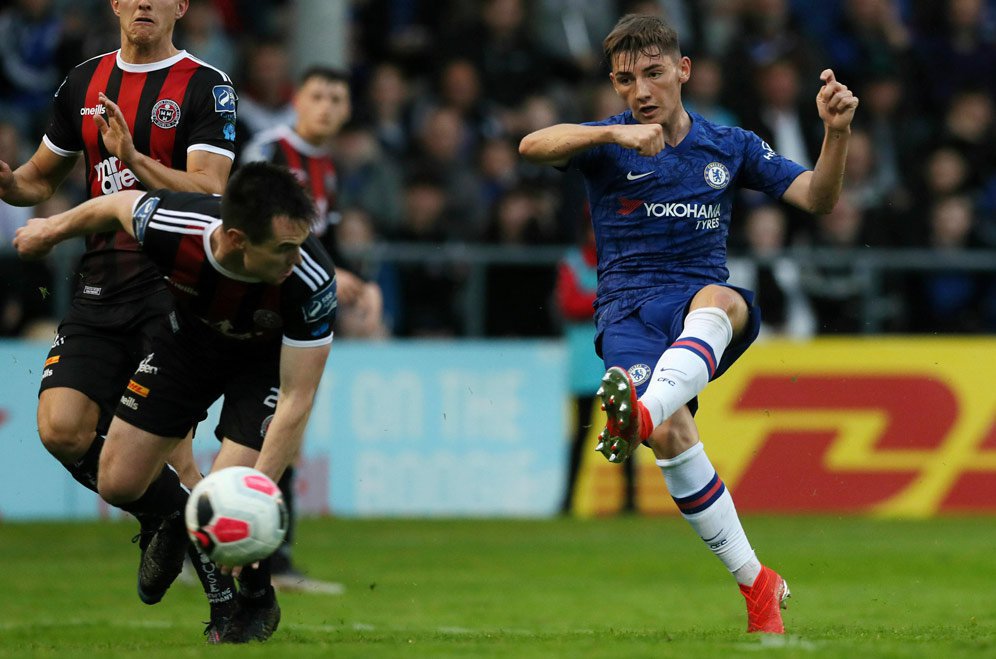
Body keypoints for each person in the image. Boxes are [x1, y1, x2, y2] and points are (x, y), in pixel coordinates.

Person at [519, 14, 858, 634]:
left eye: (652, 74)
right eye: (625, 81)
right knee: (672, 437)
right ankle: (758, 584)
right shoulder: (608, 138)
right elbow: (531, 146)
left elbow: (818, 198)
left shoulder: (728, 146)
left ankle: (639, 412)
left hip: (697, 305)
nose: (640, 92)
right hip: (625, 313)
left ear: (683, 71)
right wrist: (613, 140)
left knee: (723, 298)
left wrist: (835, 135)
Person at [14, 161, 337, 643]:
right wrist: (50, 229)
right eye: (283, 249)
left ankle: (254, 592)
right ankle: (174, 517)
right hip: (187, 347)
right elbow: (117, 204)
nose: (297, 259)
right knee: (119, 482)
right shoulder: (176, 226)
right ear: (235, 240)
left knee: (232, 495)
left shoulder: (311, 280)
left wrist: (257, 501)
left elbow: (297, 396)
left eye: (299, 243)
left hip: (265, 365)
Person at [0, 0, 239, 640]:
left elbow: (210, 193)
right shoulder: (82, 82)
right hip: (99, 288)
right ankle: (163, 518)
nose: (143, 3)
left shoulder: (205, 85)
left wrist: (134, 162)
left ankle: (232, 606)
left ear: (179, 6)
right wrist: (6, 182)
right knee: (61, 429)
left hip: (174, 286)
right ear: (114, 3)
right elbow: (37, 182)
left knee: (174, 452)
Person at [241, 65, 386, 593]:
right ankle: (258, 557)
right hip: (250, 310)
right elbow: (247, 222)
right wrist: (331, 270)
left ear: (347, 111)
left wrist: (361, 280)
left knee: (282, 434)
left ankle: (259, 554)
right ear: (296, 100)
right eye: (317, 95)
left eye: (336, 99)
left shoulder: (327, 167)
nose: (326, 106)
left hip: (290, 319)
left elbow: (328, 241)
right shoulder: (269, 150)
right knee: (269, 431)